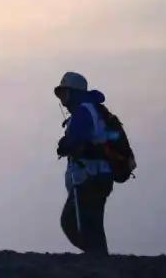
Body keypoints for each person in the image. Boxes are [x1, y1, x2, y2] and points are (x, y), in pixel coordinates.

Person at [54, 71, 112, 255]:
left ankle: (96, 257)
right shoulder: (91, 110)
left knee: (71, 221)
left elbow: (80, 142)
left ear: (74, 92)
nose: (62, 99)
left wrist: (65, 145)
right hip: (98, 176)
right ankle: (99, 258)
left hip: (90, 178)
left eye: (65, 93)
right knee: (92, 225)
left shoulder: (83, 112)